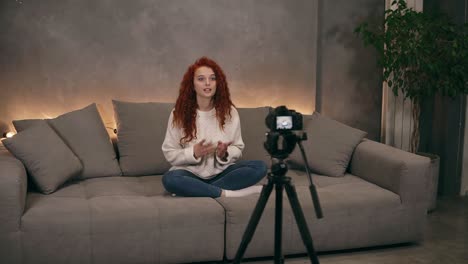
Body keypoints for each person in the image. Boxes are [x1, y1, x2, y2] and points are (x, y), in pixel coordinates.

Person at [162, 57, 267, 198]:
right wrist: (193, 153)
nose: (207, 83)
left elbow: (238, 147)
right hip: (190, 174)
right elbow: (169, 152)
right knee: (170, 179)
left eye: (212, 78)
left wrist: (224, 153)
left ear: (218, 83)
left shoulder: (230, 112)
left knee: (260, 167)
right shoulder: (178, 113)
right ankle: (227, 193)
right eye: (201, 79)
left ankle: (196, 190)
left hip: (222, 172)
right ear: (192, 85)